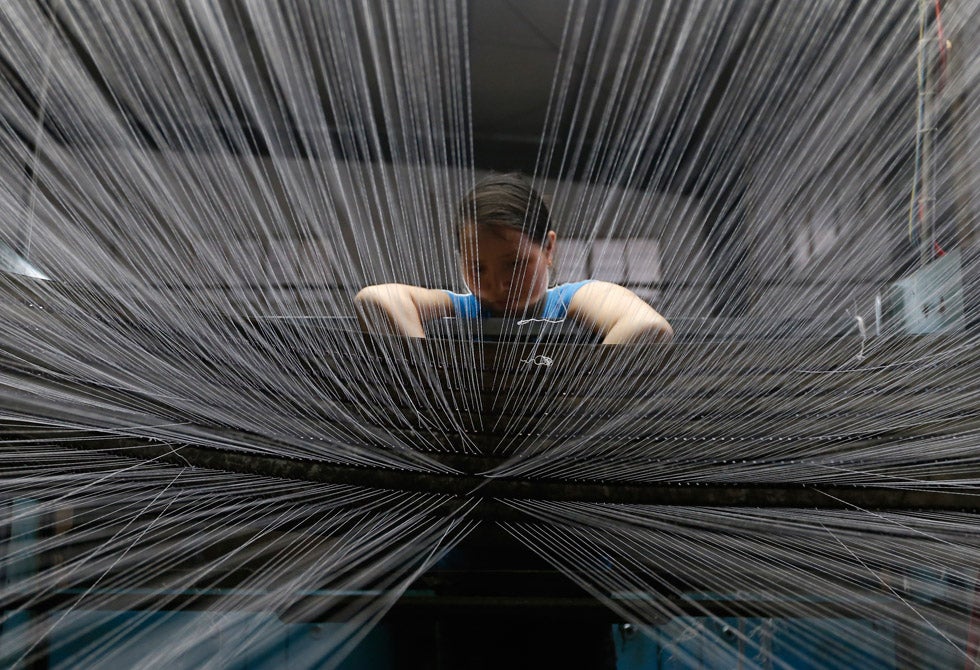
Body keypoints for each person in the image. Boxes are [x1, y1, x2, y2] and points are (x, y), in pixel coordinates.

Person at [355, 172, 673, 345]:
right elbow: (376, 298)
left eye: (517, 263)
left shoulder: (571, 299)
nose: (498, 283)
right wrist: (428, 380)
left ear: (548, 249)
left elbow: (646, 326)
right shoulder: (463, 307)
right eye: (477, 267)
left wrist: (577, 396)